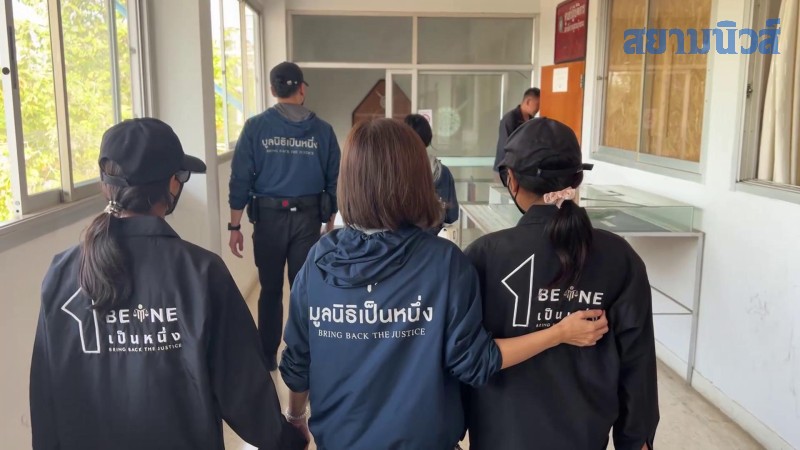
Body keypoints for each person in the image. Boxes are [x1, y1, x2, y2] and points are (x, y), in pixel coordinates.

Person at [278, 118, 609, 450]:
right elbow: (475, 362)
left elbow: (298, 364)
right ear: (417, 178)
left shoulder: (319, 261)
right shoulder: (444, 262)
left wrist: (295, 417)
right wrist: (559, 333)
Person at [30, 118, 305, 450]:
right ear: (173, 184)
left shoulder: (62, 273)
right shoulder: (201, 274)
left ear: (105, 185)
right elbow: (243, 389)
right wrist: (287, 439)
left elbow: (45, 392)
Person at [465, 118, 659, 450]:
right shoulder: (619, 257)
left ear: (511, 180)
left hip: (499, 436)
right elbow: (637, 364)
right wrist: (636, 441)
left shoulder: (483, 256)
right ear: (577, 179)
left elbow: (463, 357)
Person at [228, 61, 340, 370]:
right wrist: (329, 223)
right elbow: (334, 181)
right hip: (308, 219)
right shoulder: (323, 131)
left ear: (272, 90)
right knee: (304, 289)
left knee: (270, 289)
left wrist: (234, 226)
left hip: (268, 220)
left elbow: (240, 178)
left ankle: (268, 357)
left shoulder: (255, 127)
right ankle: (304, 352)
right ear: (302, 89)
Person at [404, 113, 459, 228]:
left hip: (399, 237)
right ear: (428, 138)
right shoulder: (442, 171)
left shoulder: (393, 171)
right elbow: (452, 215)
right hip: (432, 235)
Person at [493, 87, 540, 184]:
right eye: (537, 104)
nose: (538, 108)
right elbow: (506, 146)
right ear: (528, 101)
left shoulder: (531, 120)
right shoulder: (510, 119)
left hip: (521, 171)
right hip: (505, 170)